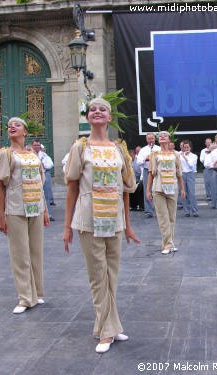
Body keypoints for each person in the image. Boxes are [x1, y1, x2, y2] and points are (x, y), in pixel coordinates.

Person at [63, 97, 140, 354]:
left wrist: (128, 225)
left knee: (112, 276)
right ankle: (107, 331)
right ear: (88, 117)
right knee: (98, 277)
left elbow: (126, 189)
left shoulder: (119, 149)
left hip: (114, 220)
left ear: (109, 118)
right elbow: (72, 187)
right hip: (88, 220)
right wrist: (66, 227)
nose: (97, 112)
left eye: (103, 109)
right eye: (93, 109)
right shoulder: (80, 147)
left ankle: (109, 325)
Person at [0, 117, 50, 314]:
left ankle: (37, 292)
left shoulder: (33, 155)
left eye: (17, 125)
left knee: (35, 251)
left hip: (35, 207)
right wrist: (1, 215)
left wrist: (44, 210)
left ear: (25, 131)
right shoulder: (6, 154)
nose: (12, 127)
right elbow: (1, 186)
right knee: (20, 254)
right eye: (10, 125)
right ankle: (25, 297)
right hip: (16, 208)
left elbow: (39, 184)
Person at [146, 130, 185, 254]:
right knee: (163, 218)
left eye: (165, 135)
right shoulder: (154, 154)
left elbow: (179, 173)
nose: (162, 136)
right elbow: (151, 173)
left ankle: (169, 243)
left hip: (172, 188)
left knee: (172, 217)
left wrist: (183, 188)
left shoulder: (175, 155)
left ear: (169, 139)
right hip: (158, 189)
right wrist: (147, 190)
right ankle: (168, 245)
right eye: (160, 135)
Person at [136, 132, 160, 218]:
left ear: (155, 139)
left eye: (152, 138)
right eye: (149, 139)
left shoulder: (159, 148)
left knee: (159, 189)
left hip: (158, 171)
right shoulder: (143, 150)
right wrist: (145, 159)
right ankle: (149, 211)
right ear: (146, 140)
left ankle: (159, 209)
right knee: (147, 189)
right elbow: (138, 162)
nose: (151, 140)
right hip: (147, 170)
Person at [31, 140, 55, 222]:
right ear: (32, 146)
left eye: (38, 145)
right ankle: (35, 214)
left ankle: (48, 214)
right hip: (33, 176)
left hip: (44, 173)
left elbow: (51, 164)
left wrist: (44, 165)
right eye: (35, 145)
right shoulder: (29, 155)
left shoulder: (44, 155)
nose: (36, 147)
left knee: (47, 195)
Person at [180, 139, 199, 217]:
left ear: (190, 148)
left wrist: (184, 157)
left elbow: (191, 165)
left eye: (188, 147)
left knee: (192, 193)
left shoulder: (194, 156)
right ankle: (186, 211)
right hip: (182, 174)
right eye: (185, 147)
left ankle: (195, 211)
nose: (186, 149)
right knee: (183, 193)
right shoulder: (179, 155)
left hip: (190, 174)